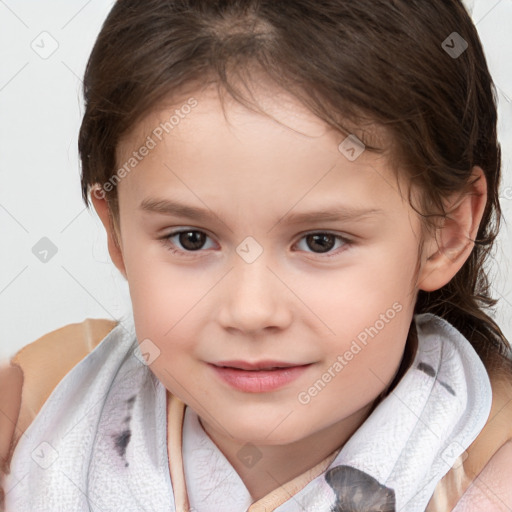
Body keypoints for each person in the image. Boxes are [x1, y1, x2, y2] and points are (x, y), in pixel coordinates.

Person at [1, 0, 512, 510]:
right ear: (115, 230)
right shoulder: (43, 402)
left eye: (320, 241)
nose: (250, 311)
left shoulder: (489, 476)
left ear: (445, 233)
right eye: (191, 239)